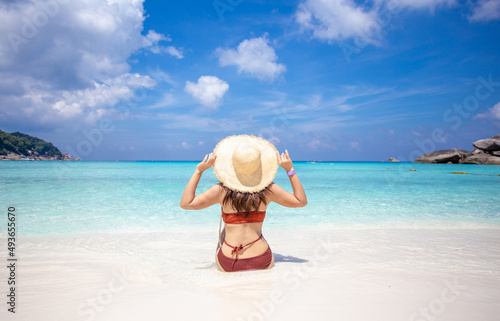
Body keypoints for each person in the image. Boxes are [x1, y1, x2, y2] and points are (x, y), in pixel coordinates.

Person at [180, 135, 307, 272]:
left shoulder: (220, 191)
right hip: (261, 259)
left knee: (225, 230)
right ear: (259, 166)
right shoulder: (269, 190)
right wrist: (290, 170)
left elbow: (186, 203)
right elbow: (301, 202)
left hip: (229, 261)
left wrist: (199, 171)